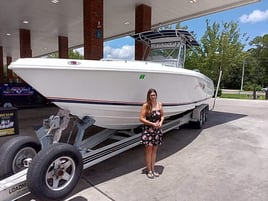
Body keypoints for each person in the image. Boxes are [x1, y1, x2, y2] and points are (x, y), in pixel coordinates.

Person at [139, 88, 164, 179]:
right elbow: (141, 118)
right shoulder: (145, 106)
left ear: (156, 95)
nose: (153, 97)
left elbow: (162, 116)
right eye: (151, 95)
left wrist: (161, 122)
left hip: (157, 131)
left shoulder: (159, 104)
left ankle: (153, 169)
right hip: (148, 130)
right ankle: (149, 170)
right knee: (149, 150)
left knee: (154, 150)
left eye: (154, 95)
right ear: (148, 96)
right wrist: (152, 124)